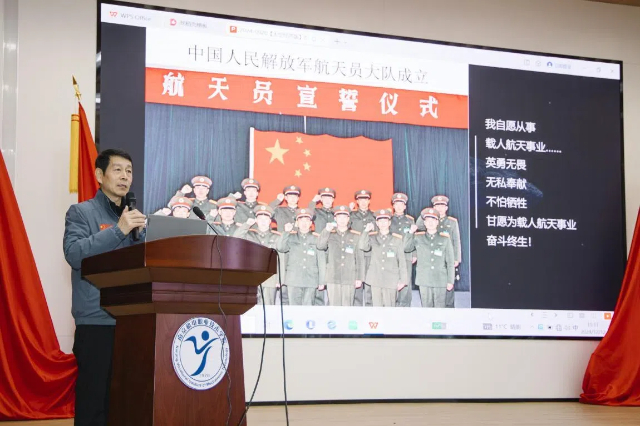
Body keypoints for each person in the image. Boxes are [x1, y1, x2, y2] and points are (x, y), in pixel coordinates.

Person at [63, 149, 146, 426]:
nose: (125, 177)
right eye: (118, 170)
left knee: (126, 403)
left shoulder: (135, 218)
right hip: (96, 322)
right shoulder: (81, 212)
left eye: (129, 171)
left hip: (132, 321)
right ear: (100, 175)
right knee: (94, 403)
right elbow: (74, 254)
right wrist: (118, 230)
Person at [235, 205, 287, 305]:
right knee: (250, 306)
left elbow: (281, 258)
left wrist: (280, 279)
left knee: (268, 306)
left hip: (270, 278)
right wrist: (246, 225)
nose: (263, 221)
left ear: (270, 221)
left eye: (266, 219)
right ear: (256, 220)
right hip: (251, 276)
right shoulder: (248, 234)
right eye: (260, 219)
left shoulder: (277, 236)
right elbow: (236, 238)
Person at [406, 207, 454, 308]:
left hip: (440, 279)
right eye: (428, 220)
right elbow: (406, 248)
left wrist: (450, 281)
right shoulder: (418, 237)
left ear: (437, 222)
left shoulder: (445, 239)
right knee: (426, 308)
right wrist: (410, 232)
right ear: (424, 223)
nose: (430, 223)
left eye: (433, 220)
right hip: (424, 279)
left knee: (440, 308)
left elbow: (450, 262)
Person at [276, 208, 326, 306]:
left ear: (311, 223)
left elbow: (321, 261)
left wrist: (321, 281)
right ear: (297, 223)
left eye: (307, 220)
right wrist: (286, 232)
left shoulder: (317, 238)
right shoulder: (290, 237)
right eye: (301, 220)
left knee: (308, 308)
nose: (304, 223)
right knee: (293, 309)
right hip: (293, 279)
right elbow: (280, 248)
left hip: (311, 279)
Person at [359, 209, 408, 307]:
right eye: (380, 221)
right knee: (376, 308)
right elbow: (362, 246)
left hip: (391, 278)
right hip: (375, 278)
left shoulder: (397, 239)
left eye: (385, 221)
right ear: (377, 223)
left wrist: (403, 280)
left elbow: (402, 261)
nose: (383, 224)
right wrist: (366, 231)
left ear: (389, 223)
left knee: (389, 308)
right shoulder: (372, 237)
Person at [316, 205, 364, 306]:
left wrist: (359, 277)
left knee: (347, 306)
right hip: (333, 276)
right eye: (339, 217)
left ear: (348, 219)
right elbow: (320, 246)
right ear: (335, 219)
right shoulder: (329, 234)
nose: (342, 220)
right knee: (334, 307)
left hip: (349, 277)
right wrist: (326, 230)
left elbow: (359, 258)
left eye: (344, 217)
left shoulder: (356, 236)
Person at [432, 195, 461, 308]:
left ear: (446, 208)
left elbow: (456, 241)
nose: (439, 209)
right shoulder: (430, 221)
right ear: (433, 208)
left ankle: (449, 308)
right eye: (437, 206)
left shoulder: (452, 222)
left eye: (442, 206)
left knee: (448, 285)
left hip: (447, 258)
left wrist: (456, 258)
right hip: (434, 259)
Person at [390, 192, 416, 307]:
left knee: (406, 281)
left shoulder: (410, 220)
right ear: (393, 206)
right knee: (392, 279)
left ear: (405, 206)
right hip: (392, 255)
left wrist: (414, 254)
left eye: (401, 204)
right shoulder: (388, 219)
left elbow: (414, 238)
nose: (399, 207)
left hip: (406, 255)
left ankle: (405, 305)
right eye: (397, 204)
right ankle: (392, 304)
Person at [350, 189, 375, 307]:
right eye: (361, 200)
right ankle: (357, 308)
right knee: (357, 281)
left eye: (366, 199)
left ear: (369, 201)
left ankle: (370, 308)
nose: (363, 202)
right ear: (357, 201)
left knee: (370, 282)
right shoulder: (351, 215)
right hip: (355, 253)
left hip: (370, 253)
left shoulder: (375, 216)